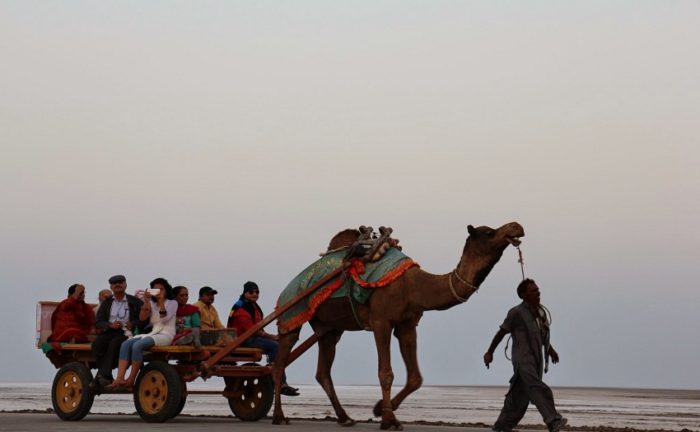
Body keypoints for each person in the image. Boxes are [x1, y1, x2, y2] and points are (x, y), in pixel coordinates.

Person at [483, 279, 567, 432]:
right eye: (534, 290)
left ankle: (502, 426)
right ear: (524, 295)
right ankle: (553, 420)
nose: (538, 293)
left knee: (518, 398)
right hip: (523, 360)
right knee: (539, 389)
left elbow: (542, 336)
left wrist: (551, 350)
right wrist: (490, 352)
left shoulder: (540, 313)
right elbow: (502, 332)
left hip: (536, 361)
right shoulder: (516, 312)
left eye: (538, 290)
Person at [228, 281, 299, 396]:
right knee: (275, 346)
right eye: (251, 292)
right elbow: (252, 330)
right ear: (245, 293)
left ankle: (276, 373)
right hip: (242, 341)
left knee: (279, 344)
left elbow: (259, 328)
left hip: (253, 338)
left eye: (257, 292)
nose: (254, 294)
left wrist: (273, 337)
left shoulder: (254, 307)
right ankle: (278, 379)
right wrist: (272, 337)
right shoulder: (241, 308)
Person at [107, 277, 178, 389]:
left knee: (137, 345)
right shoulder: (151, 303)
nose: (159, 292)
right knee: (126, 344)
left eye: (162, 289)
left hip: (166, 334)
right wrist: (146, 302)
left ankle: (131, 379)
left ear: (166, 290)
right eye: (155, 289)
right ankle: (119, 378)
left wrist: (161, 302)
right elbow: (142, 318)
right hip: (154, 333)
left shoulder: (172, 303)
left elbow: (164, 319)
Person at [91, 275, 144, 388]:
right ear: (111, 287)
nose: (117, 285)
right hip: (109, 331)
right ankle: (105, 375)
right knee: (97, 345)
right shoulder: (107, 302)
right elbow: (99, 321)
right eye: (114, 284)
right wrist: (110, 325)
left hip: (126, 333)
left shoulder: (135, 302)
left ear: (125, 285)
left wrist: (133, 324)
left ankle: (102, 377)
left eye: (120, 282)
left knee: (115, 344)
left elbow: (144, 319)